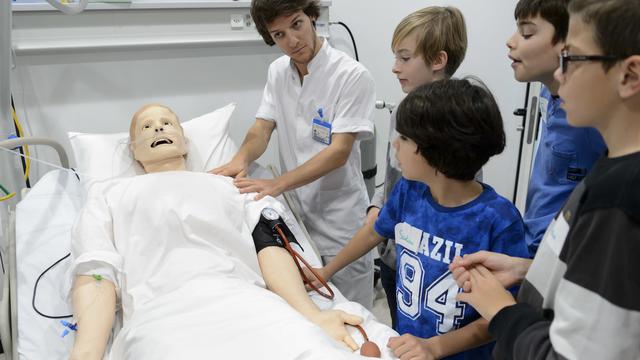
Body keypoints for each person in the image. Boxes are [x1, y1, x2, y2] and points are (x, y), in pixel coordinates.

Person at [68, 104, 381, 360]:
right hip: (164, 316)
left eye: (167, 123)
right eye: (146, 127)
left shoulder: (233, 187)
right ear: (134, 151)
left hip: (247, 300)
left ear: (185, 142)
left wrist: (311, 314)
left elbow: (268, 243)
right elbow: (96, 272)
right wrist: (86, 353)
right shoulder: (109, 197)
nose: (159, 128)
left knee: (309, 348)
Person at [451, 1, 640, 358]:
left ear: (629, 76)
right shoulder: (611, 166)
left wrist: (502, 311)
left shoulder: (620, 197)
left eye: (572, 59)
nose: (561, 73)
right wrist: (527, 268)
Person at [316, 79, 530, 359]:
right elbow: (374, 232)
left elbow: (502, 314)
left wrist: (436, 347)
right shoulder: (409, 191)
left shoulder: (498, 220)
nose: (395, 144)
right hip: (410, 347)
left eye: (404, 138)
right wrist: (325, 272)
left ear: (435, 150)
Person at [211, 0, 376, 309]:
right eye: (279, 35)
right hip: (297, 220)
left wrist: (277, 184)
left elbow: (338, 152)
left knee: (355, 316)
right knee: (310, 313)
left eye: (297, 25)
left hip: (341, 223)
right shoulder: (277, 72)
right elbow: (262, 127)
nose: (292, 41)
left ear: (312, 17)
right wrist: (240, 159)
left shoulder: (351, 75)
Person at [363, 6, 468, 330]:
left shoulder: (459, 118)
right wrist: (376, 205)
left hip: (436, 266)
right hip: (396, 255)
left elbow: (465, 199)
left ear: (438, 60)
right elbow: (392, 178)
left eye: (405, 58)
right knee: (399, 331)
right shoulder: (402, 112)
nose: (395, 68)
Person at [507, 0, 606, 256]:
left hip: (568, 257)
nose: (511, 41)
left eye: (527, 33)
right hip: (535, 247)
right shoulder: (547, 92)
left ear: (568, 44)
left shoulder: (591, 117)